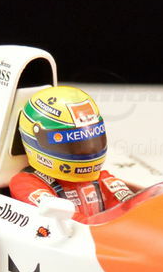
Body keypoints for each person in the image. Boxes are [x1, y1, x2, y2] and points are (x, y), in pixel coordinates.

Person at [9, 85, 136, 219]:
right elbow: (72, 223)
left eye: (91, 140)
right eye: (73, 144)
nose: (87, 151)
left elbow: (132, 210)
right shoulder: (24, 184)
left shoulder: (101, 178)